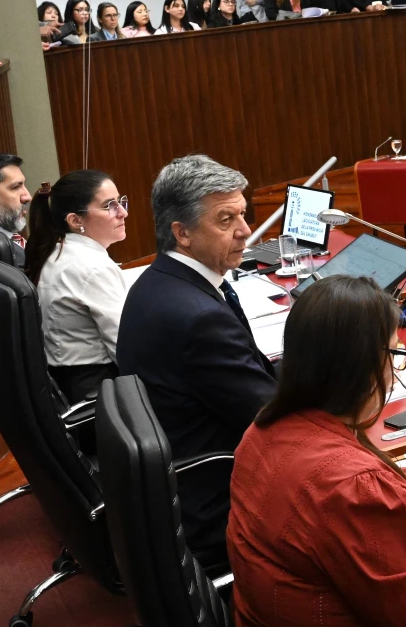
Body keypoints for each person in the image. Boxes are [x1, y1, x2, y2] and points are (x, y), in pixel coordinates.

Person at [227, 275, 406, 626]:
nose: (395, 372)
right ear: (361, 366)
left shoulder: (263, 430)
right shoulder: (353, 484)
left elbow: (333, 502)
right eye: (396, 353)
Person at [117, 154, 277, 564]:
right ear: (182, 233)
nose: (245, 231)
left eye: (244, 215)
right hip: (220, 502)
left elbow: (244, 374)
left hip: (178, 488)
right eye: (226, 221)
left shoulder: (158, 282)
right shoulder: (198, 317)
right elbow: (276, 421)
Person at [26, 170, 128, 402]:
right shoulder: (93, 268)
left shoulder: (57, 250)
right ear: (75, 220)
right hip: (101, 395)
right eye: (109, 205)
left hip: (70, 385)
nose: (123, 212)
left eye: (121, 201)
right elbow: (127, 352)